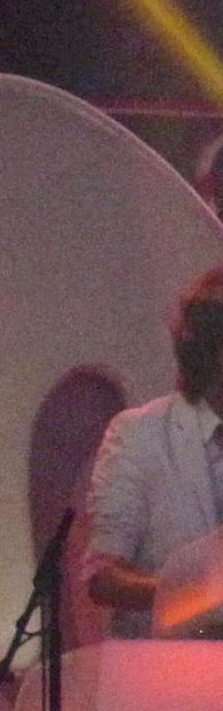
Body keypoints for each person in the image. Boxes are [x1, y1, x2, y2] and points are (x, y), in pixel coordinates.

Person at [87, 266, 223, 639]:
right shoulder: (139, 434)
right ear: (209, 349)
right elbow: (103, 578)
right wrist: (198, 595)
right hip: (165, 666)